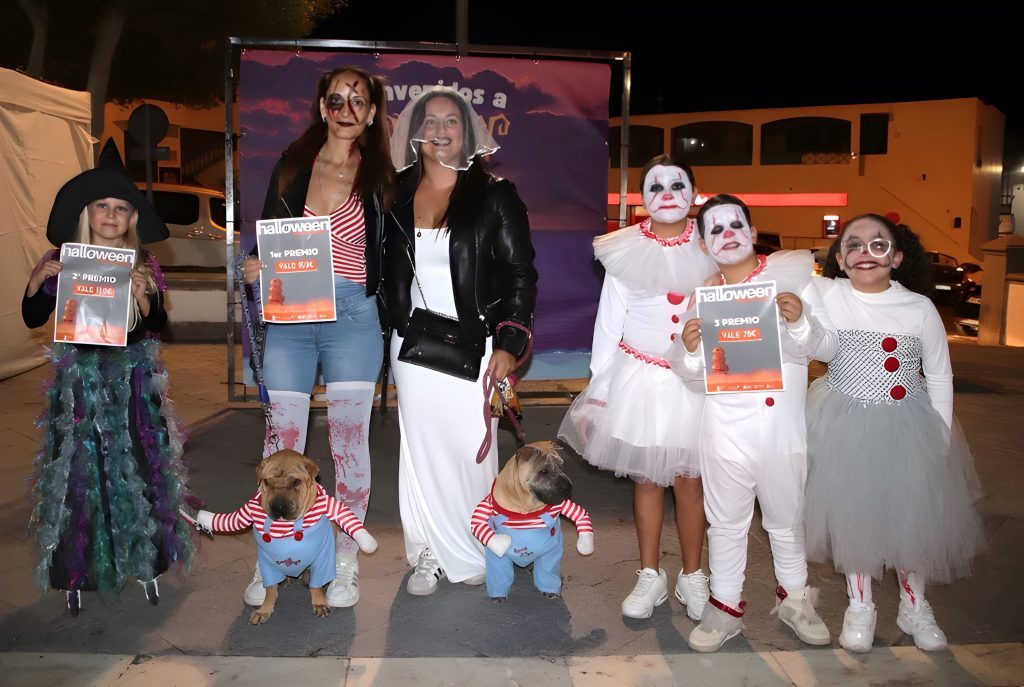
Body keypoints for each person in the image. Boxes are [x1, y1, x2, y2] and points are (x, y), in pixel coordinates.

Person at [241, 65, 395, 609]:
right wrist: (254, 267)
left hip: (353, 314)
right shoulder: (290, 166)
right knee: (280, 443)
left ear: (373, 112)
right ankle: (275, 553)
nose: (346, 107)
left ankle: (346, 558)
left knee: (348, 444)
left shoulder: (382, 176)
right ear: (322, 106)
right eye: (336, 98)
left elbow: (396, 253)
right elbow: (263, 240)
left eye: (359, 99)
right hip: (292, 317)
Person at [805, 214, 984, 652]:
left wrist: (939, 441)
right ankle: (860, 605)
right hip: (845, 424)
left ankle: (913, 603)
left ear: (898, 256)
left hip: (909, 425)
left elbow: (939, 376)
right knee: (855, 515)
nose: (866, 252)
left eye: (878, 244)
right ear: (840, 261)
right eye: (853, 245)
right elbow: (781, 275)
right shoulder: (828, 294)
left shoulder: (918, 308)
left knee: (910, 518)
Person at [382, 87, 536, 596]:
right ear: (415, 132)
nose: (441, 131)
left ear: (467, 132)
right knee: (420, 450)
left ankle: (475, 545)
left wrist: (510, 343)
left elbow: (520, 275)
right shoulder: (394, 193)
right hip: (413, 345)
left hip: (479, 343)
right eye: (432, 121)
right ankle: (425, 553)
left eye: (452, 122)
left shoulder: (496, 195)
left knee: (472, 451)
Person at [23, 167, 194, 616]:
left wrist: (143, 299)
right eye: (103, 206)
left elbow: (157, 325)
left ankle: (145, 560)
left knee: (139, 467)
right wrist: (37, 283)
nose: (111, 215)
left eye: (121, 208)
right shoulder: (62, 258)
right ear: (87, 213)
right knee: (78, 471)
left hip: (133, 384)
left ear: (132, 218)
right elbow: (32, 314)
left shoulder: (143, 264)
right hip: (78, 383)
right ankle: (79, 569)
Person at [674, 194, 835, 652]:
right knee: (725, 523)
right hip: (723, 429)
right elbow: (689, 376)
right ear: (705, 244)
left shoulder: (795, 283)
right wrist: (689, 350)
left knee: (786, 519)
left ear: (753, 230)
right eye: (716, 230)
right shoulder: (702, 299)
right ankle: (724, 609)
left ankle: (795, 600)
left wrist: (802, 322)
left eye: (735, 225)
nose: (727, 236)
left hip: (781, 429)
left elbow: (828, 348)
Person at [558, 155, 717, 620]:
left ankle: (693, 575)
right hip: (640, 379)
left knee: (691, 482)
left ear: (694, 193)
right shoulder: (624, 250)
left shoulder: (711, 246)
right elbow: (609, 324)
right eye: (656, 186)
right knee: (647, 479)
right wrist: (600, 392)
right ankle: (651, 575)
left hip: (693, 383)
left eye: (677, 183)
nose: (667, 193)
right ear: (642, 196)